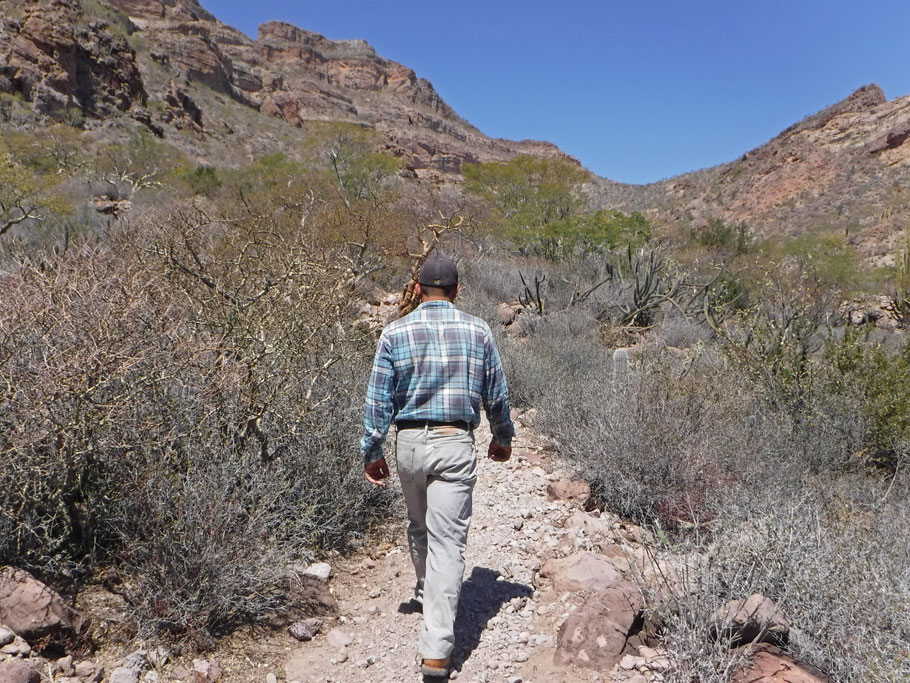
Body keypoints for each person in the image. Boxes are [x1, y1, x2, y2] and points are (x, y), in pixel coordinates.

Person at [361, 252, 515, 677]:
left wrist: (372, 450)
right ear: (456, 291)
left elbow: (378, 398)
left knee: (419, 525)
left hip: (409, 443)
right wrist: (502, 437)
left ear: (417, 290)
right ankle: (436, 649)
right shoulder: (478, 330)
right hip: (454, 442)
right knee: (448, 542)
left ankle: (428, 597)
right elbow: (496, 394)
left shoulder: (394, 332)